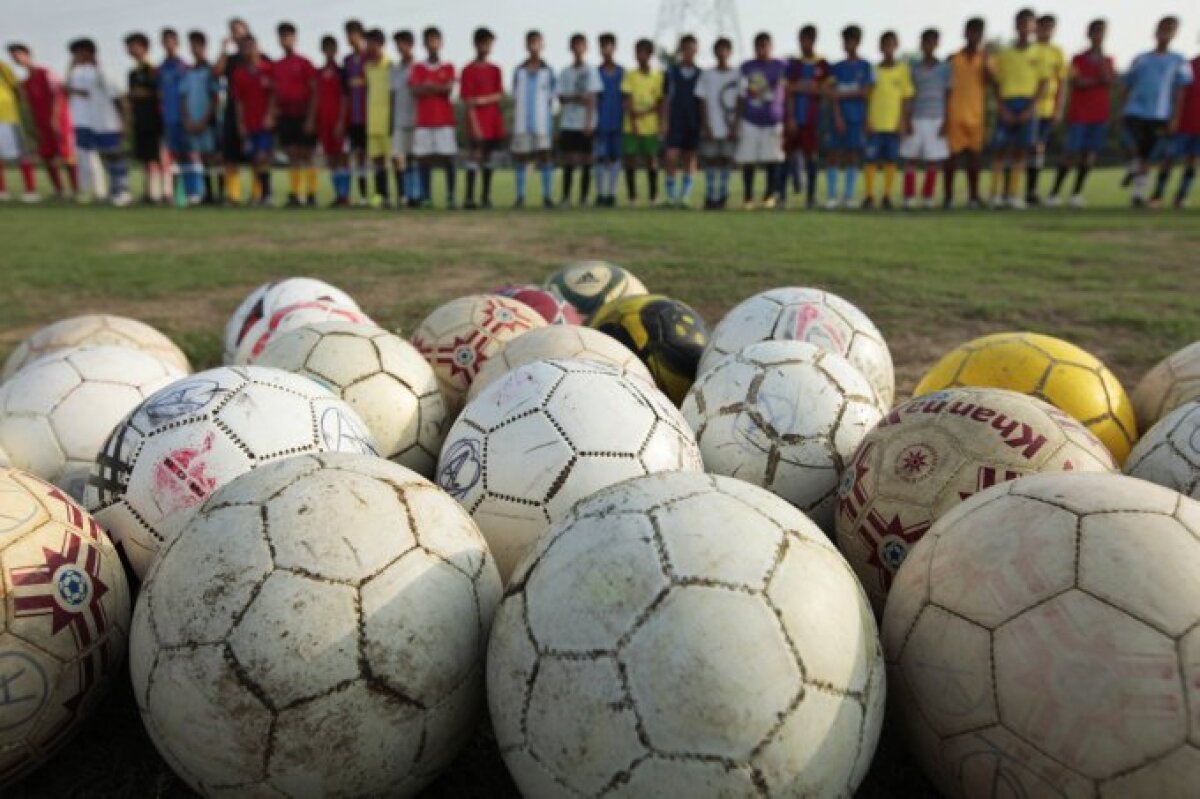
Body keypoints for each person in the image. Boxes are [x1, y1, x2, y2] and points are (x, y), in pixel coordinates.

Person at [1122, 17, 1192, 208]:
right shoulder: (1141, 58)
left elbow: (1180, 91)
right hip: (1135, 111)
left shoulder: (1178, 60)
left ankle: (1138, 194)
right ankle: (1133, 166)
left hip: (1159, 114)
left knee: (1148, 156)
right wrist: (1122, 106)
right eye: (1163, 27)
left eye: (1171, 29)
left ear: (1175, 34)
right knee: (1130, 147)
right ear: (1156, 30)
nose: (1166, 32)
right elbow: (1127, 84)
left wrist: (1175, 116)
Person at [1046, 19, 1114, 208]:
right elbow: (1078, 82)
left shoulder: (1108, 60)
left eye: (1102, 32)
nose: (1098, 36)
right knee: (1070, 153)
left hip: (1099, 114)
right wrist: (1096, 81)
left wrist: (1099, 68)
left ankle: (1076, 193)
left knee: (1088, 155)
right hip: (1079, 113)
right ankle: (1054, 193)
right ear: (1088, 33)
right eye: (1095, 32)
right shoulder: (1077, 59)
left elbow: (1108, 80)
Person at [989, 8, 1047, 210]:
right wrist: (1002, 107)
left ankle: (1012, 194)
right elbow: (995, 84)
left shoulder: (1039, 53)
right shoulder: (1004, 54)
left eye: (1028, 24)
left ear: (1033, 27)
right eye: (1020, 23)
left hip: (1027, 105)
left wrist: (1030, 109)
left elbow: (1043, 84)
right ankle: (995, 195)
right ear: (1015, 26)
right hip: (1007, 103)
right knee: (1000, 150)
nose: (1024, 28)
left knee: (1020, 152)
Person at [67, 38, 129, 205]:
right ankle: (112, 191)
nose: (75, 57)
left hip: (110, 122)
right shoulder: (86, 72)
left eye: (77, 53)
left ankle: (122, 192)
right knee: (106, 158)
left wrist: (123, 121)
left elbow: (117, 98)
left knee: (115, 156)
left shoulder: (104, 72)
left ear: (87, 52)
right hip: (96, 122)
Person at [8, 44, 74, 199]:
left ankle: (75, 190)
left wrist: (55, 117)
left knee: (66, 155)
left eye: (18, 55)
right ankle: (59, 191)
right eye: (13, 57)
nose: (16, 59)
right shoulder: (26, 82)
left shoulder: (46, 73)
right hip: (41, 124)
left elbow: (59, 94)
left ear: (27, 54)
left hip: (59, 121)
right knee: (47, 156)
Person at [735, 32, 787, 210]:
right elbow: (740, 95)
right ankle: (748, 196)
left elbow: (791, 85)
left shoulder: (780, 65)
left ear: (771, 47)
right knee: (748, 159)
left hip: (772, 119)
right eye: (758, 46)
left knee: (771, 159)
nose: (762, 49)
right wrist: (738, 119)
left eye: (765, 45)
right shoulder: (746, 67)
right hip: (751, 119)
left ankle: (769, 195)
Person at [862, 31, 913, 210]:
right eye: (884, 45)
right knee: (870, 160)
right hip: (875, 123)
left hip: (893, 124)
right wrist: (867, 120)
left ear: (896, 46)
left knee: (891, 160)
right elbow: (866, 96)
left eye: (891, 44)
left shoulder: (902, 70)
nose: (888, 48)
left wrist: (903, 121)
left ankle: (887, 195)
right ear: (880, 47)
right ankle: (868, 195)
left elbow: (906, 98)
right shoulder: (873, 70)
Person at [900, 29, 950, 210]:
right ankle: (909, 196)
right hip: (916, 117)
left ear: (937, 44)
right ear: (921, 44)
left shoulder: (945, 68)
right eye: (925, 42)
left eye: (932, 42)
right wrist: (906, 119)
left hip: (937, 117)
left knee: (933, 160)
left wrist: (947, 120)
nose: (929, 45)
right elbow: (908, 96)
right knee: (910, 158)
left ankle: (928, 197)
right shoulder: (913, 68)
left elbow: (948, 95)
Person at [409, 26, 457, 209]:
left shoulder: (448, 66)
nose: (433, 44)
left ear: (441, 43)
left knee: (448, 158)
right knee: (424, 158)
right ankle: (426, 196)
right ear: (424, 44)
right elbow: (415, 90)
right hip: (424, 121)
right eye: (429, 40)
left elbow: (448, 89)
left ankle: (451, 196)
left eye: (436, 40)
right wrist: (437, 87)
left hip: (444, 120)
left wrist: (429, 86)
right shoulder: (418, 67)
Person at [826, 25, 872, 210]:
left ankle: (849, 196)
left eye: (851, 40)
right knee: (833, 154)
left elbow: (865, 92)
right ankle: (831, 196)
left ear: (858, 42)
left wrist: (841, 95)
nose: (848, 44)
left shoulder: (866, 66)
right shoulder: (836, 67)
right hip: (838, 117)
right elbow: (831, 94)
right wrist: (837, 115)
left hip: (856, 117)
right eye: (845, 41)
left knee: (853, 155)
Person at [944, 17, 989, 208]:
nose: (974, 36)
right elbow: (945, 88)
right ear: (965, 33)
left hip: (976, 116)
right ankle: (948, 198)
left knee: (975, 158)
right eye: (971, 31)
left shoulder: (985, 59)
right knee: (951, 159)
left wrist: (986, 62)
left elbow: (991, 82)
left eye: (978, 32)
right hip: (954, 115)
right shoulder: (953, 59)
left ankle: (974, 197)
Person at [274, 22, 318, 208]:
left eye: (288, 36)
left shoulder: (305, 63)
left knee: (306, 155)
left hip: (303, 114)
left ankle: (311, 193)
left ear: (295, 38)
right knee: (291, 155)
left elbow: (315, 91)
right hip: (286, 116)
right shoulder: (277, 65)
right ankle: (295, 193)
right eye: (282, 37)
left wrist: (311, 118)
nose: (285, 40)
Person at [460, 27, 505, 209]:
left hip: (492, 120)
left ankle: (486, 196)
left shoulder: (495, 69)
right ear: (476, 44)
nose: (486, 47)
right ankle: (469, 197)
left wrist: (483, 100)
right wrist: (475, 124)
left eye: (489, 44)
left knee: (488, 157)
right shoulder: (468, 70)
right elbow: (468, 100)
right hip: (476, 120)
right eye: (483, 43)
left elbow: (499, 94)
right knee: (474, 156)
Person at [784, 25, 828, 209]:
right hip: (795, 117)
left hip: (813, 119)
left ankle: (811, 196)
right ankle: (781, 195)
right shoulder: (793, 64)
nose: (805, 44)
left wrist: (804, 87)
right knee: (787, 156)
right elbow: (789, 90)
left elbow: (824, 90)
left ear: (814, 40)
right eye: (802, 40)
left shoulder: (822, 64)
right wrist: (791, 117)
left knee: (812, 157)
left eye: (808, 39)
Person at [1027, 14, 1068, 205]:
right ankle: (1019, 191)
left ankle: (1032, 190)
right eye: (1042, 26)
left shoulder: (1057, 52)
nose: (1046, 30)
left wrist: (1058, 107)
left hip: (1047, 108)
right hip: (1027, 107)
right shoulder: (1029, 49)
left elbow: (1061, 81)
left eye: (1050, 27)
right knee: (1027, 148)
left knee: (1038, 148)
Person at [558, 33, 601, 206]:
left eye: (581, 45)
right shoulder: (565, 72)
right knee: (569, 159)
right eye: (575, 45)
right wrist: (577, 97)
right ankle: (566, 196)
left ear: (586, 48)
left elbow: (591, 99)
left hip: (586, 123)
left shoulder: (591, 71)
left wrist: (589, 122)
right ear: (570, 48)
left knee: (587, 159)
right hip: (568, 121)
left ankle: (584, 197)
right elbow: (561, 98)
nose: (578, 49)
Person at [231, 34, 275, 206]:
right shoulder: (239, 74)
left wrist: (270, 115)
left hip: (264, 123)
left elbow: (273, 95)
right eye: (245, 48)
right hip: (249, 123)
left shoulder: (267, 69)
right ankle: (257, 194)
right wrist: (240, 123)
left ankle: (268, 193)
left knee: (263, 156)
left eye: (251, 47)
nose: (249, 51)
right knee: (254, 160)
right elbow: (239, 101)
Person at [695, 37, 738, 209]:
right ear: (714, 52)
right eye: (718, 50)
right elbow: (701, 100)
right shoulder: (707, 75)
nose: (722, 54)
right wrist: (706, 125)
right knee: (711, 160)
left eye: (725, 50)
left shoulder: (737, 74)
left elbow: (741, 99)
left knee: (726, 160)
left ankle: (723, 194)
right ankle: (711, 195)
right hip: (712, 125)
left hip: (729, 125)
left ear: (730, 52)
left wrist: (735, 125)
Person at [179, 31, 221, 204]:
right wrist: (188, 119)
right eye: (192, 45)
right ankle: (207, 194)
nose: (194, 48)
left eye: (197, 45)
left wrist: (204, 120)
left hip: (207, 122)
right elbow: (183, 97)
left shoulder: (211, 70)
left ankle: (221, 193)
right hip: (192, 122)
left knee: (214, 158)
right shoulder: (188, 71)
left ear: (204, 46)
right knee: (201, 159)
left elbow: (215, 97)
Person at [214, 17, 253, 204]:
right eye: (232, 31)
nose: (236, 34)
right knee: (229, 155)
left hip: (254, 113)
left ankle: (258, 194)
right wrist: (223, 48)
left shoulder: (259, 57)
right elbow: (216, 72)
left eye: (238, 30)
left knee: (256, 156)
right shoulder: (230, 60)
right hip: (231, 111)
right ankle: (233, 195)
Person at [661, 35, 702, 208]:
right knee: (671, 156)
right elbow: (666, 99)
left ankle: (685, 196)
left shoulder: (701, 74)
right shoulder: (671, 72)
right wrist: (664, 121)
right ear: (681, 50)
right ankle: (671, 195)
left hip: (693, 120)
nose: (688, 52)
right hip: (676, 119)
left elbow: (703, 101)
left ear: (696, 50)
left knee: (689, 157)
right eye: (685, 49)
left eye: (691, 49)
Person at [125, 32, 165, 204]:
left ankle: (159, 192)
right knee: (144, 158)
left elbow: (159, 93)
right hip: (139, 120)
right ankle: (147, 192)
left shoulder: (153, 70)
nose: (131, 50)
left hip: (154, 120)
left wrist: (142, 94)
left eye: (134, 46)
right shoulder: (133, 73)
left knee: (156, 157)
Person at [0, 47, 40, 201]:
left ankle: (30, 191)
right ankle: (2, 191)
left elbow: (17, 88)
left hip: (7, 116)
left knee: (22, 154)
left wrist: (21, 109)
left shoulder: (2, 66)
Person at [316, 35, 350, 206]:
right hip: (324, 122)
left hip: (338, 121)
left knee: (342, 157)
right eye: (326, 48)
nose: (329, 52)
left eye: (332, 48)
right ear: (322, 51)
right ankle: (337, 193)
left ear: (336, 50)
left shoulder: (342, 72)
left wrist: (341, 121)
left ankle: (345, 194)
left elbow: (345, 97)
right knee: (330, 159)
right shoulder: (319, 73)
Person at [593, 33, 625, 207]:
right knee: (600, 158)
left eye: (609, 45)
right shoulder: (596, 72)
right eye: (602, 46)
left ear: (614, 48)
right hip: (601, 121)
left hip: (617, 120)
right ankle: (600, 193)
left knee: (615, 158)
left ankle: (611, 194)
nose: (606, 49)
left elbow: (626, 99)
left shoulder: (621, 72)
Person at [363, 28, 392, 208]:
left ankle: (399, 195)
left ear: (380, 44)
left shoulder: (390, 65)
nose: (369, 47)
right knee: (377, 161)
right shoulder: (367, 67)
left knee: (394, 160)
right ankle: (380, 196)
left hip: (387, 120)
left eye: (372, 43)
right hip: (372, 120)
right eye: (368, 43)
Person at [159, 28, 189, 203]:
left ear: (177, 43)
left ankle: (188, 193)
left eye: (171, 41)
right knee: (171, 157)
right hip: (168, 118)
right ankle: (173, 193)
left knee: (187, 155)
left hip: (183, 118)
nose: (168, 44)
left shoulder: (183, 66)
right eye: (165, 41)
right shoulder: (161, 68)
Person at [389, 31, 418, 207]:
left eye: (404, 43)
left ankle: (414, 194)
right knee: (397, 158)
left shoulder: (418, 67)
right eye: (398, 44)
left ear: (411, 45)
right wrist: (390, 121)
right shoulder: (394, 69)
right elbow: (392, 96)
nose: (401, 47)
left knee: (414, 158)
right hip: (399, 120)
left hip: (416, 120)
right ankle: (402, 194)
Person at [343, 20, 369, 204]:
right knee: (358, 156)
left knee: (373, 156)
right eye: (347, 34)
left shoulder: (371, 59)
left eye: (353, 34)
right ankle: (364, 195)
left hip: (371, 116)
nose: (350, 38)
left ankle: (380, 194)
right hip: (354, 116)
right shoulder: (347, 61)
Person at [1171, 52, 1200, 207]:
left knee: (1193, 161)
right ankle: (1156, 195)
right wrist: (1174, 118)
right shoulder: (1188, 65)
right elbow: (1178, 93)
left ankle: (1181, 196)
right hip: (1184, 121)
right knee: (1168, 158)